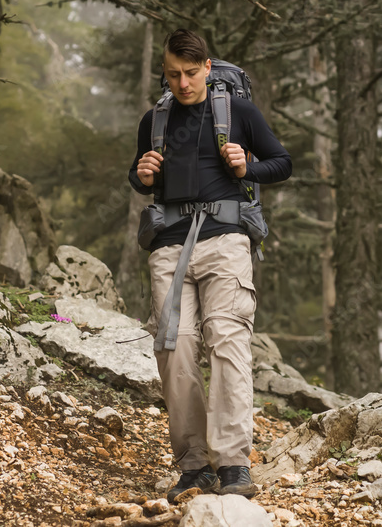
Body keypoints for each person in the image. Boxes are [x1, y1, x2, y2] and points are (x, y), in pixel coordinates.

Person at [128, 29, 292, 501]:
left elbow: (281, 162)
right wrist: (140, 174)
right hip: (168, 247)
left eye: (190, 73)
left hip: (226, 242)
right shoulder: (155, 120)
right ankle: (195, 465)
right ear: (165, 71)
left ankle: (235, 464)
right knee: (173, 350)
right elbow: (141, 175)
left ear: (207, 67)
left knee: (227, 343)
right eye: (173, 74)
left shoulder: (237, 113)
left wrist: (247, 167)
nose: (182, 83)